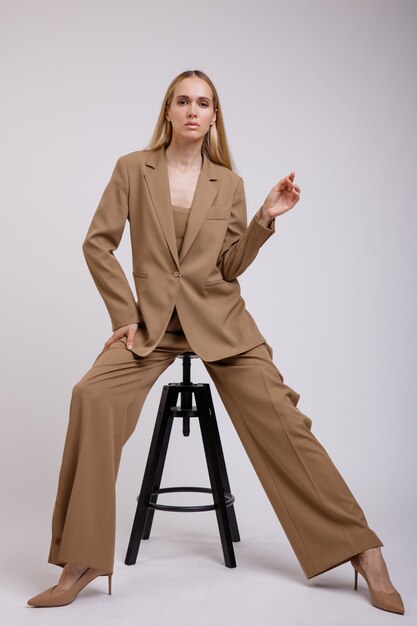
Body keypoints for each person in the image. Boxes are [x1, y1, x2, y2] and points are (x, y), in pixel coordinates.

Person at [27, 69, 404, 614]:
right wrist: (124, 315)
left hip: (220, 323)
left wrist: (264, 220)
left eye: (203, 103)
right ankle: (80, 560)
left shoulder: (227, 182)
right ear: (168, 110)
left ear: (214, 116)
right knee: (91, 395)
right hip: (154, 328)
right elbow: (98, 245)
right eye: (183, 101)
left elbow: (229, 267)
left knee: (285, 421)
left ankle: (362, 552)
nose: (192, 111)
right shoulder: (133, 169)